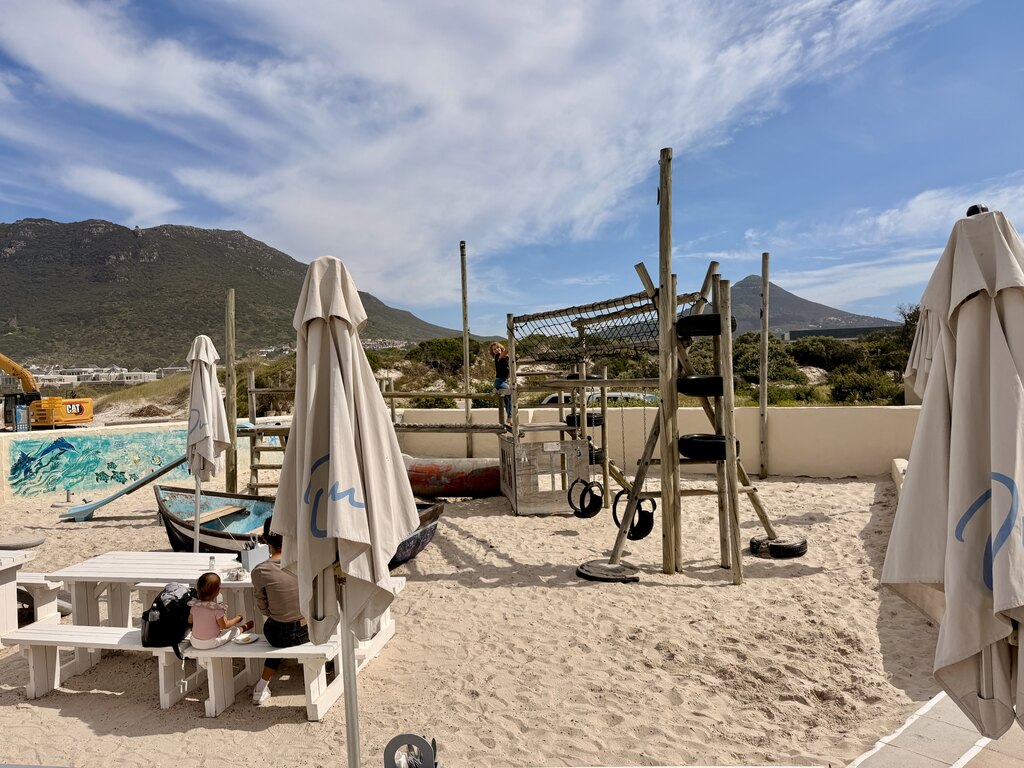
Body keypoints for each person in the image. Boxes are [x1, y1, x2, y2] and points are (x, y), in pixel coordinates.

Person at [250, 518, 309, 705]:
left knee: (276, 627)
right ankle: (261, 686)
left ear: (264, 539)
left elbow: (263, 608)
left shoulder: (259, 571)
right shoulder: (303, 563)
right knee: (291, 624)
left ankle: (262, 685)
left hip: (277, 635)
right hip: (305, 631)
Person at [188, 572, 251, 649]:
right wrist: (237, 619)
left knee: (220, 631)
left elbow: (190, 621)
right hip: (210, 643)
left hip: (194, 641)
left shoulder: (195, 606)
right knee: (232, 630)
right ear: (218, 590)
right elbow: (224, 625)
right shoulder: (216, 609)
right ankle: (242, 628)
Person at [490, 341, 512, 424]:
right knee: (509, 394)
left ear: (501, 348)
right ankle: (509, 417)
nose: (496, 350)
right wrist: (511, 345)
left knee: (507, 399)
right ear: (493, 352)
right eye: (494, 349)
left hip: (504, 380)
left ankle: (510, 417)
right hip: (500, 381)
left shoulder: (506, 357)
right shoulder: (497, 356)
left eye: (497, 348)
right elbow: (505, 353)